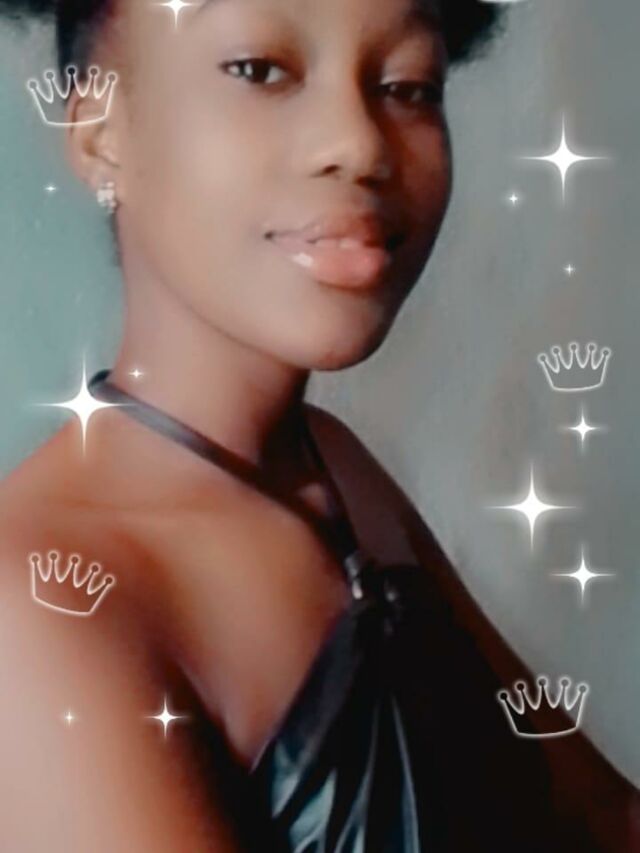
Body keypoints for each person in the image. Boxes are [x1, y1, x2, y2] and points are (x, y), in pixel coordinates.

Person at [0, 0, 637, 849]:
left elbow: (604, 816)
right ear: (99, 132)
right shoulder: (42, 602)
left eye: (409, 86)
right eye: (259, 70)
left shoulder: (334, 468)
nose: (361, 144)